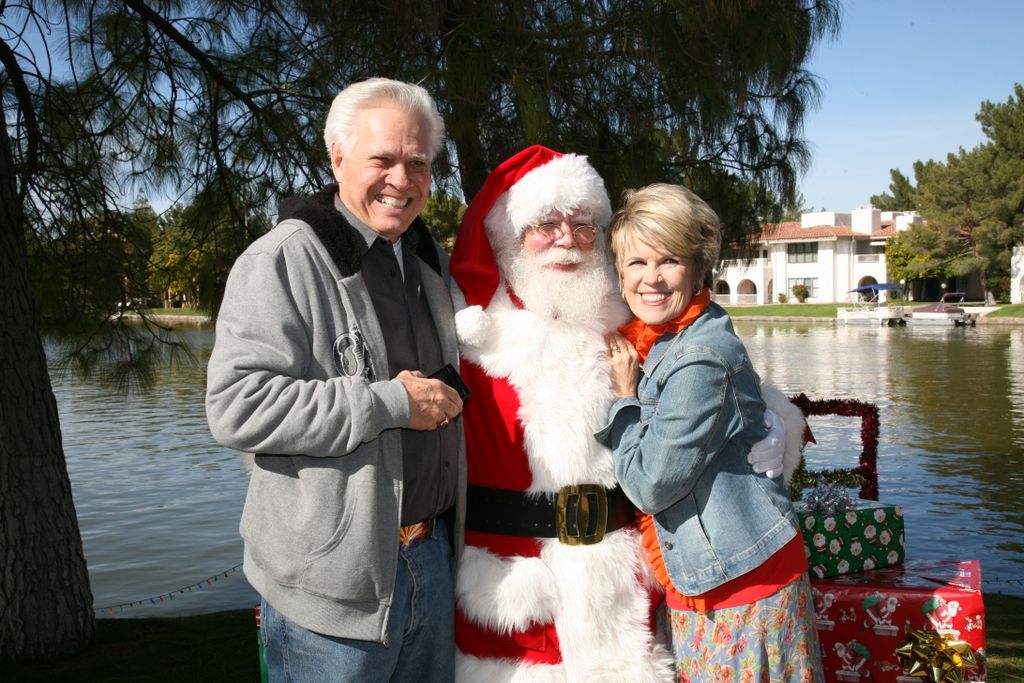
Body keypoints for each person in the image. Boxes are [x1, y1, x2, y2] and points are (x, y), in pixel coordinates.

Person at [447, 146, 797, 681]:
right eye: (545, 223)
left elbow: (708, 377)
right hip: (518, 595)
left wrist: (775, 424)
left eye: (582, 223)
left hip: (627, 584)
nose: (566, 238)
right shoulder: (470, 337)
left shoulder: (626, 312)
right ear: (505, 235)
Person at [206, 78, 466, 682]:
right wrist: (388, 402)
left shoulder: (429, 263)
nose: (401, 179)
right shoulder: (279, 260)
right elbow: (236, 407)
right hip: (331, 594)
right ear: (338, 158)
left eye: (418, 162)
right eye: (383, 159)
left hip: (432, 564)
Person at [597, 183, 824, 682]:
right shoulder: (667, 336)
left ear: (699, 267)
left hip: (741, 587)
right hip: (714, 575)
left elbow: (651, 484)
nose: (650, 279)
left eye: (669, 260)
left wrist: (624, 400)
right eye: (636, 263)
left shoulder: (697, 355)